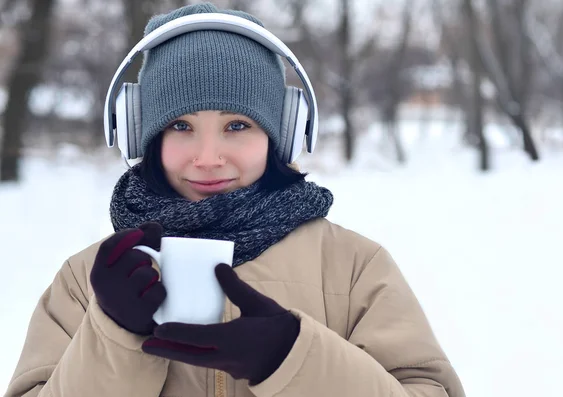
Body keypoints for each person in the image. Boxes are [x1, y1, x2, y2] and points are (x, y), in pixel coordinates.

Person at [5, 3, 465, 397]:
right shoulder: (88, 282)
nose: (208, 158)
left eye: (237, 126)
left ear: (281, 133)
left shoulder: (353, 268)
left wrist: (293, 359)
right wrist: (113, 335)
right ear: (140, 134)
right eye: (180, 126)